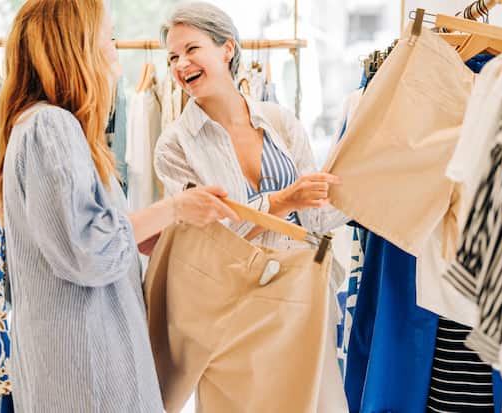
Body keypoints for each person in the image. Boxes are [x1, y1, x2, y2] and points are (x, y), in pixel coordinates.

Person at [0, 0, 239, 411]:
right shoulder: (53, 127)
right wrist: (176, 208)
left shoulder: (36, 126)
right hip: (90, 370)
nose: (116, 48)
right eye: (109, 37)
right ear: (79, 46)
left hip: (77, 367)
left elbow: (74, 237)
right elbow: (87, 251)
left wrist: (137, 235)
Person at [155, 2, 350, 411]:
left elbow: (314, 218)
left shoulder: (279, 122)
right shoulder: (175, 145)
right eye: (173, 56)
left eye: (192, 49)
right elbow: (208, 242)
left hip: (302, 297)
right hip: (234, 313)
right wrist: (281, 201)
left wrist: (358, 188)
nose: (180, 64)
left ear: (227, 48)